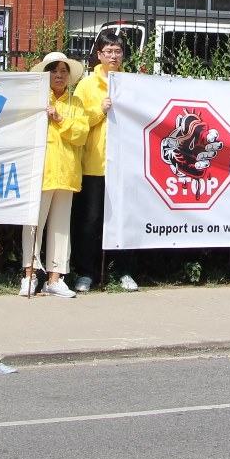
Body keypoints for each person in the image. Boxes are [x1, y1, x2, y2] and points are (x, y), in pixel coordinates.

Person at [70, 32, 139, 292]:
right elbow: (78, 122)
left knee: (123, 218)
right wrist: (100, 110)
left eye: (118, 51)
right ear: (98, 55)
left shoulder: (132, 84)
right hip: (95, 163)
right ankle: (86, 272)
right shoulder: (87, 85)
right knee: (90, 220)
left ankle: (124, 270)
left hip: (125, 164)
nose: (113, 56)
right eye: (108, 51)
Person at [23, 51, 88, 299]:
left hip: (67, 172)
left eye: (63, 71)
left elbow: (81, 135)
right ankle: (29, 275)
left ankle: (55, 277)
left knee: (61, 228)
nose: (59, 75)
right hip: (40, 172)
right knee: (33, 224)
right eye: (54, 70)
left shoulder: (75, 103)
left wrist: (59, 119)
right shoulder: (36, 101)